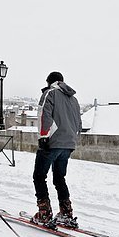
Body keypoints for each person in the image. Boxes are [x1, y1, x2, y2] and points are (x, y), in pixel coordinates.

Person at [32, 71, 82, 227]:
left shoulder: (50, 93)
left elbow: (44, 115)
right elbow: (78, 123)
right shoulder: (73, 99)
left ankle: (44, 213)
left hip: (52, 142)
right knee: (59, 178)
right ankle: (66, 213)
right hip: (68, 143)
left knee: (39, 176)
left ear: (49, 82)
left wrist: (43, 137)